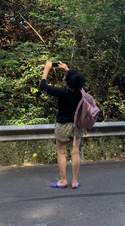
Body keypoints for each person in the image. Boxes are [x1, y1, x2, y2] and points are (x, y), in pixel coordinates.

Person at [40, 61, 85, 189]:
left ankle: (63, 180)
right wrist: (66, 69)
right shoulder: (81, 91)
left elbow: (43, 85)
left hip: (63, 125)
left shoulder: (62, 93)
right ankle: (74, 181)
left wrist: (47, 69)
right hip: (77, 125)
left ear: (66, 82)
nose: (63, 78)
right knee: (75, 153)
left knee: (61, 153)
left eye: (64, 78)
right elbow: (76, 80)